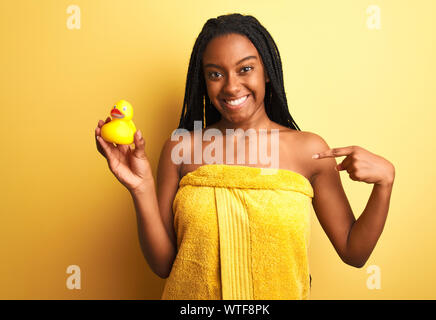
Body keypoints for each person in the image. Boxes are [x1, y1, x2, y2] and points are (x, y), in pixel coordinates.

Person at [95, 13, 395, 300]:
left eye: (245, 69)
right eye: (215, 74)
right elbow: (163, 265)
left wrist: (385, 182)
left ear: (267, 72)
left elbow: (354, 252)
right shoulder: (180, 148)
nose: (231, 86)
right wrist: (141, 187)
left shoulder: (309, 151)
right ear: (204, 81)